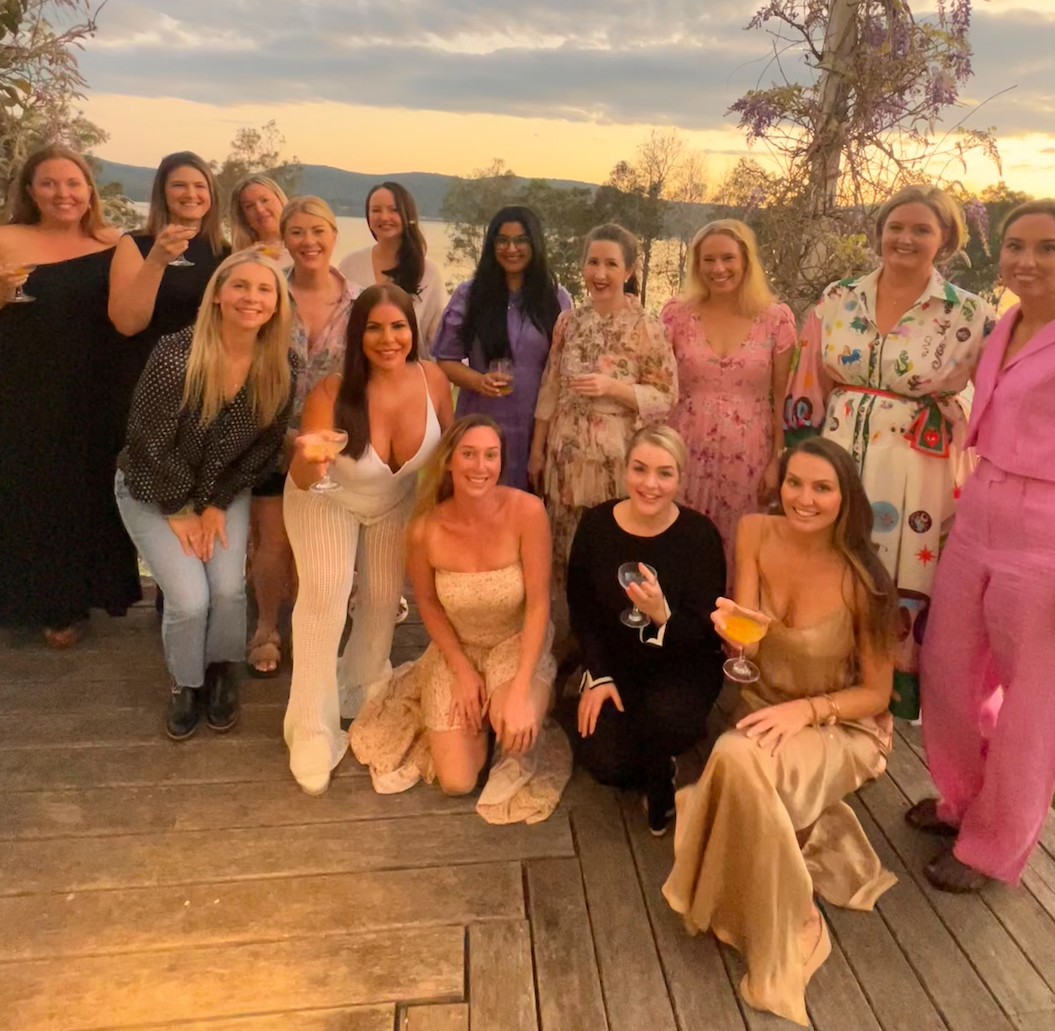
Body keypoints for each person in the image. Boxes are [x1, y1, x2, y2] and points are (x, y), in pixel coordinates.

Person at [663, 438, 898, 1026]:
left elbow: (876, 695)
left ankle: (796, 917)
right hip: (762, 704)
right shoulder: (753, 532)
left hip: (840, 724)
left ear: (846, 498)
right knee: (739, 757)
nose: (804, 498)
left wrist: (807, 711)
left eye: (822, 488)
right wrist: (733, 635)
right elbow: (744, 648)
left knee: (734, 756)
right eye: (795, 483)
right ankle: (786, 884)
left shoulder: (865, 580)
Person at [912, 200, 1055, 893]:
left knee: (1033, 704)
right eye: (1015, 245)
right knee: (949, 669)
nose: (1026, 260)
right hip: (982, 504)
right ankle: (962, 801)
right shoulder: (1002, 324)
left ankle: (993, 847)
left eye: (1047, 247)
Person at [784, 185, 993, 718]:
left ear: (946, 239)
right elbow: (808, 379)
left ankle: (890, 688)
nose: (905, 238)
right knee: (831, 558)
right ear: (878, 233)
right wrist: (795, 457)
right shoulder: (838, 297)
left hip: (915, 466)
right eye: (895, 227)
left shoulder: (970, 313)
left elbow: (1002, 393)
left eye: (922, 229)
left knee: (902, 569)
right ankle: (822, 671)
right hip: (837, 453)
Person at [350, 416, 571, 822]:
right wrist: (462, 670)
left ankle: (524, 702)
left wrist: (521, 687)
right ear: (449, 460)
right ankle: (479, 718)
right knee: (457, 781)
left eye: (490, 455)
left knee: (516, 731)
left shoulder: (527, 511)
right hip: (459, 647)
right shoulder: (424, 529)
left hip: (516, 640)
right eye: (469, 454)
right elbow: (429, 604)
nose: (480, 466)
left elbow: (540, 604)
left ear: (501, 461)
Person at [114, 251, 296, 739]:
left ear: (277, 304)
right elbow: (147, 443)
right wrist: (180, 510)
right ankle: (185, 680)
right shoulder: (178, 354)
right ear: (217, 294)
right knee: (191, 600)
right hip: (152, 490)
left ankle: (219, 671)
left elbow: (264, 448)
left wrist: (216, 503)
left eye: (264, 289)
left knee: (229, 591)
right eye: (240, 286)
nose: (251, 298)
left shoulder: (281, 364)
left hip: (220, 491)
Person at [282, 283, 453, 795]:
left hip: (393, 501)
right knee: (326, 599)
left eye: (398, 326)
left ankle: (358, 686)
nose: (388, 338)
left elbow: (446, 454)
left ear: (412, 330)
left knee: (381, 599)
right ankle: (310, 728)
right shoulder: (332, 393)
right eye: (374, 328)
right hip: (325, 499)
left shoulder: (434, 380)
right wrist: (311, 457)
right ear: (357, 335)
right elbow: (305, 477)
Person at [0, 145, 141, 646]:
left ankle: (78, 599)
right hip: (22, 388)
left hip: (96, 388)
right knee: (28, 490)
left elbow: (131, 316)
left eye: (73, 183)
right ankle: (40, 603)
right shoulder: (6, 239)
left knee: (86, 490)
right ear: (30, 191)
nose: (63, 193)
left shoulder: (115, 242)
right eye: (49, 183)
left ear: (88, 190)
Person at [568, 426, 725, 835]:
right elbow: (582, 609)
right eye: (640, 469)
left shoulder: (700, 536)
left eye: (664, 473)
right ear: (625, 469)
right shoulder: (596, 525)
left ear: (681, 478)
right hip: (616, 663)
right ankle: (657, 751)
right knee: (606, 765)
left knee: (665, 719)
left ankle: (663, 765)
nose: (650, 484)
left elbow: (706, 634)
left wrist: (662, 615)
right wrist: (599, 675)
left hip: (682, 665)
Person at [529, 223, 677, 635]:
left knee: (612, 552)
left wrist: (614, 388)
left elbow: (666, 396)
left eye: (611, 264)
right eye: (593, 262)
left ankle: (611, 641)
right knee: (567, 552)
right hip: (565, 456)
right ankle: (571, 639)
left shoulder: (647, 326)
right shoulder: (568, 322)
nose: (600, 273)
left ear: (629, 270)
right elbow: (549, 388)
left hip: (618, 460)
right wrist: (537, 450)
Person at [245, 196, 360, 679]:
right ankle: (266, 627)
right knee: (272, 539)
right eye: (297, 232)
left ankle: (316, 626)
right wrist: (280, 431)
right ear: (284, 239)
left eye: (318, 231)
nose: (308, 241)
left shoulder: (359, 301)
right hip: (269, 431)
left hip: (332, 442)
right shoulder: (267, 292)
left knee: (323, 543)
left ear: (334, 235)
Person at [662, 219, 795, 562]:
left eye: (727, 258)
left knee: (742, 549)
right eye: (708, 260)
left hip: (750, 456)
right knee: (682, 545)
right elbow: (659, 385)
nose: (718, 269)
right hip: (685, 449)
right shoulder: (676, 316)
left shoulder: (775, 320)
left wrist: (776, 461)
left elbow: (782, 398)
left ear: (746, 261)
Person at [433, 207, 571, 490]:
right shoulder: (469, 295)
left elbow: (563, 372)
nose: (511, 248)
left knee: (526, 506)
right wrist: (478, 381)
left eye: (521, 240)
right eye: (502, 240)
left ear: (535, 244)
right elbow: (446, 360)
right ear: (491, 244)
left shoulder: (556, 299)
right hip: (480, 421)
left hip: (536, 428)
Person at [109, 151, 230, 411]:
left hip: (204, 385)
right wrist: (156, 261)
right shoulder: (135, 244)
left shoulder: (225, 253)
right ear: (162, 193)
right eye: (179, 185)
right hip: (145, 380)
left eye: (200, 186)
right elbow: (127, 324)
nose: (191, 193)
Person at [338, 181, 445, 356]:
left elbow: (438, 341)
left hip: (412, 369)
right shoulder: (350, 265)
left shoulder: (428, 272)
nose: (384, 217)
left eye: (393, 210)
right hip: (358, 369)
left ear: (407, 214)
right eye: (376, 210)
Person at [229, 174, 288, 258]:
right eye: (249, 206)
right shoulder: (243, 259)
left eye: (265, 200)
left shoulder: (303, 244)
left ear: (280, 199)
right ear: (243, 216)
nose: (260, 210)